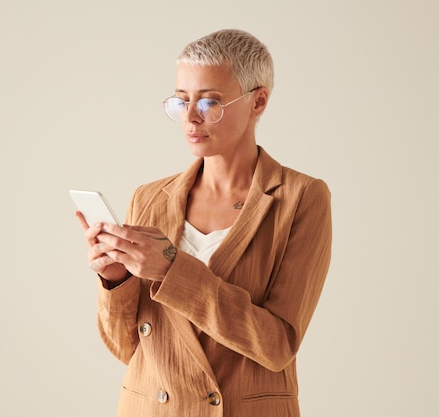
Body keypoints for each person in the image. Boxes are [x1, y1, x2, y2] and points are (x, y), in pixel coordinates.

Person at [75, 28, 332, 417]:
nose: (191, 118)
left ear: (258, 101)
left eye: (210, 102)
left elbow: (277, 345)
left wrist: (172, 270)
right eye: (181, 102)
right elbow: (127, 349)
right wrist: (116, 280)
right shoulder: (149, 197)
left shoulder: (300, 198)